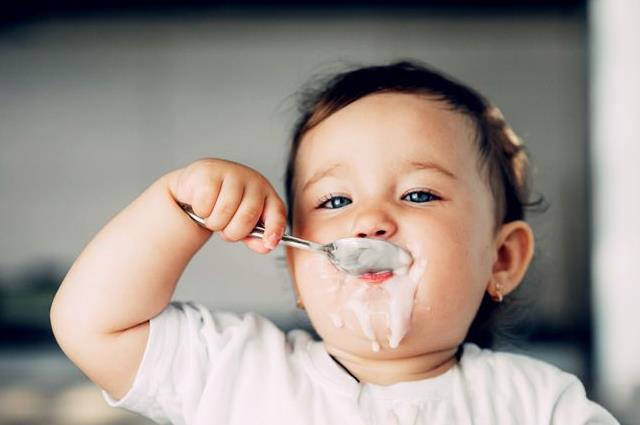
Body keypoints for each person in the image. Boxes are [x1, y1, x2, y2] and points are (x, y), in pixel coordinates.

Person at [50, 61, 619, 424]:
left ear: (501, 259)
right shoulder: (234, 370)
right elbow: (91, 325)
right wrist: (175, 208)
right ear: (297, 270)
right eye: (335, 202)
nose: (369, 222)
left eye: (419, 195)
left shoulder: (540, 405)